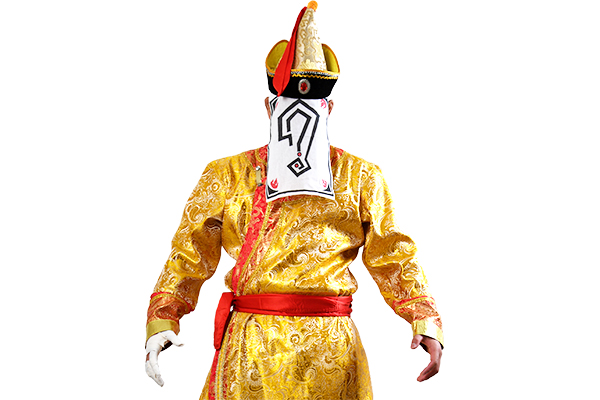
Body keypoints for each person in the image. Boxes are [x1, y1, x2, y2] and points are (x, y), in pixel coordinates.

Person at [145, 3, 443, 399]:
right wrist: (164, 318)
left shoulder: (362, 177)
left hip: (331, 348)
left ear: (329, 109)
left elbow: (393, 253)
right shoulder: (227, 174)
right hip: (251, 346)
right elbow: (190, 252)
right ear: (270, 108)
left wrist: (423, 319)